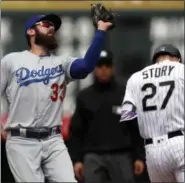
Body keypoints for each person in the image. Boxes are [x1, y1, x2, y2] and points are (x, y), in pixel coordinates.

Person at [0, 13, 113, 182]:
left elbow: (86, 66)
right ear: (31, 31)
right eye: (46, 24)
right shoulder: (12, 61)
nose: (52, 27)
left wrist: (101, 30)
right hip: (21, 141)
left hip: (53, 139)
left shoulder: (61, 63)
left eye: (54, 26)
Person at [66, 50, 146, 183]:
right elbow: (76, 131)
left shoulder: (124, 93)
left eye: (107, 65)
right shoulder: (85, 96)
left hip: (121, 155)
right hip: (93, 156)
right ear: (94, 68)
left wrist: (139, 156)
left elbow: (135, 127)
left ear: (112, 67)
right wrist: (77, 160)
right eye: (100, 66)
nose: (103, 69)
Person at [120, 44, 184, 182]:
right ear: (177, 59)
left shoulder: (135, 78)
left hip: (152, 152)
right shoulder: (181, 70)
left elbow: (127, 115)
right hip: (179, 142)